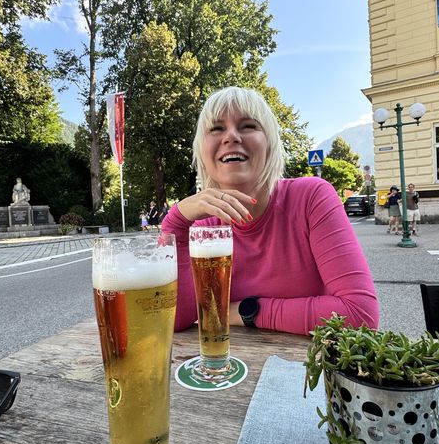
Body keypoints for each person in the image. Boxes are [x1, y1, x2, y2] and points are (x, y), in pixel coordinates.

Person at [161, 86, 378, 336]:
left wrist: (245, 311)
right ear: (202, 150)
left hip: (312, 366)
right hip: (243, 369)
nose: (231, 136)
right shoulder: (204, 228)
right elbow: (177, 319)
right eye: (217, 128)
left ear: (270, 144)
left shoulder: (311, 197)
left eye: (247, 126)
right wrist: (176, 221)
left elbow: (360, 314)